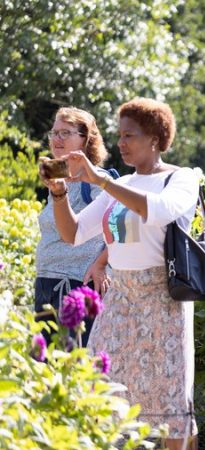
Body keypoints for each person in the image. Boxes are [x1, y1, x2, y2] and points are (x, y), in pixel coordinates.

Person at [45, 98, 199, 450]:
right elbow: (73, 233)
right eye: (120, 136)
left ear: (155, 139)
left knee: (170, 400)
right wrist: (59, 192)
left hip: (164, 301)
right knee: (99, 391)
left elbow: (158, 210)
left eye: (129, 136)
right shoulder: (124, 182)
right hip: (121, 299)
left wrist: (101, 180)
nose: (121, 143)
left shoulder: (180, 178)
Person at [35, 107, 110, 348]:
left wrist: (102, 263)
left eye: (65, 132)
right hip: (46, 283)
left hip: (76, 288)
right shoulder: (57, 180)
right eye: (54, 132)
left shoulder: (98, 179)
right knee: (44, 365)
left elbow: (122, 223)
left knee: (72, 363)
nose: (57, 139)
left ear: (85, 139)